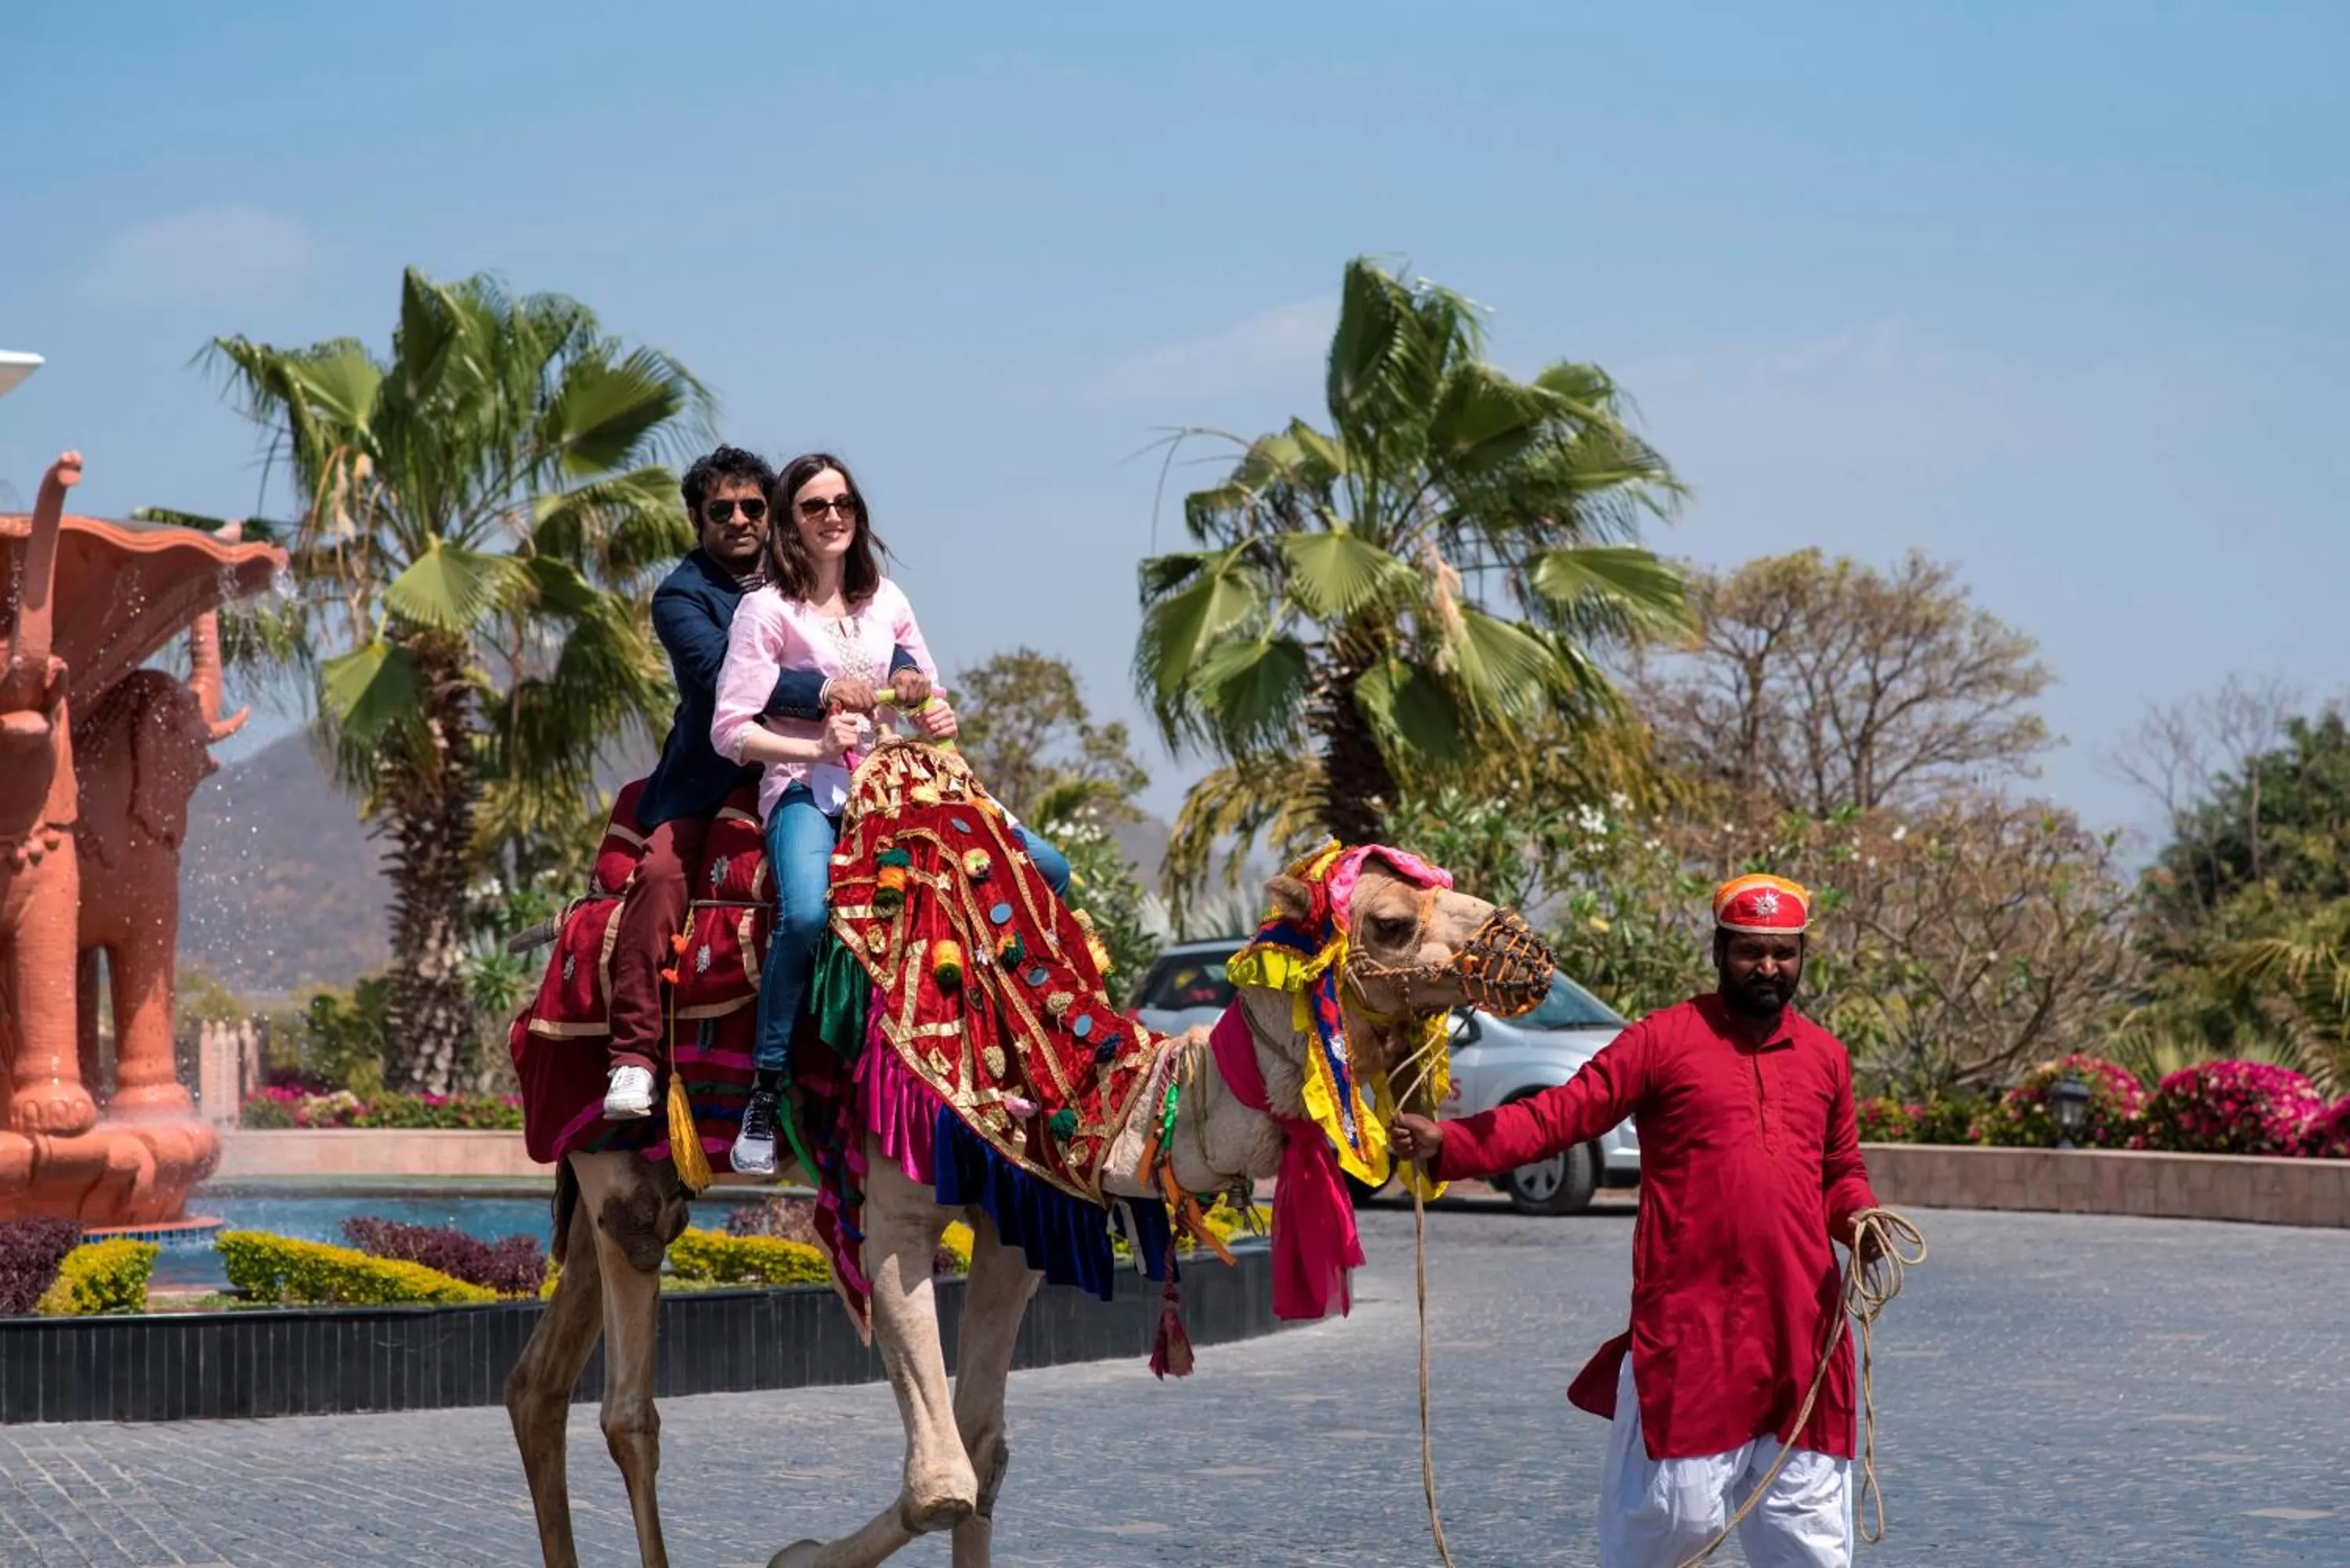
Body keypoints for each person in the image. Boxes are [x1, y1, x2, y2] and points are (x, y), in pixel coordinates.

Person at [1390, 874, 1881, 1568]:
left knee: (1810, 1538)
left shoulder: (1826, 1057)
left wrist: (1860, 1220)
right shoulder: (1663, 1040)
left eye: (1783, 952)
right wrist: (1457, 1144)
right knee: (1672, 1521)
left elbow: (1841, 1170)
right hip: (1695, 1328)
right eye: (1750, 951)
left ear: (1801, 956)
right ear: (1718, 951)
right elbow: (1565, 1112)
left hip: (1804, 1332)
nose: (1768, 967)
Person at [710, 452, 1071, 1175]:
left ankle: (1004, 1046)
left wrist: (933, 713)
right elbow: (730, 730)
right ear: (789, 521)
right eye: (814, 506)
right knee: (807, 915)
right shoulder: (765, 610)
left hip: (900, 785)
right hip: (808, 790)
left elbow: (927, 692)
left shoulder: (888, 603)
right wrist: (810, 743)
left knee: (1048, 868)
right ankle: (766, 1086)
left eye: (843, 502)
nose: (833, 516)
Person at [601, 445, 922, 1122]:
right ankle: (632, 1057)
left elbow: (874, 645)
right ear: (697, 518)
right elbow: (730, 679)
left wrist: (906, 682)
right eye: (723, 510)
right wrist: (837, 689)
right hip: (716, 778)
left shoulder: (811, 580)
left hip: (823, 770)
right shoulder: (683, 596)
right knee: (660, 876)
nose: (741, 520)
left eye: (754, 506)